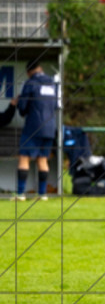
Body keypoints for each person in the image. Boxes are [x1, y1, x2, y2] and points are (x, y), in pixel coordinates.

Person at [14, 61, 58, 201]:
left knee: (24, 157)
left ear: (29, 72)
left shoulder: (30, 83)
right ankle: (42, 194)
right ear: (41, 69)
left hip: (33, 126)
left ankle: (20, 194)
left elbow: (22, 108)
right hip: (50, 128)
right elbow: (56, 105)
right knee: (43, 159)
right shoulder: (52, 84)